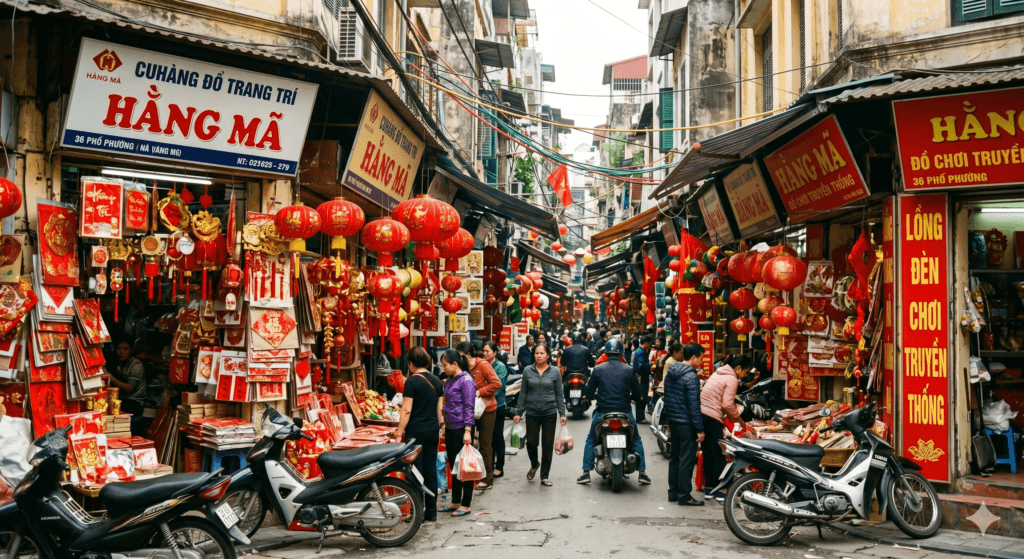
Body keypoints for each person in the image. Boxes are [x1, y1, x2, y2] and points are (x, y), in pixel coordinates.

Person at [577, 339, 651, 486]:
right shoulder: (629, 369)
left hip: (603, 413)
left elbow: (590, 391)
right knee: (636, 439)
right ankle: (642, 473)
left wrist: (590, 396)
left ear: (606, 353)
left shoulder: (598, 369)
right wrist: (635, 397)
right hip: (625, 413)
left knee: (591, 440)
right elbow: (636, 393)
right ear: (620, 353)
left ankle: (586, 472)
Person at [395, 346, 444, 522]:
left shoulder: (412, 381)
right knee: (430, 470)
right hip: (432, 431)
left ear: (410, 363)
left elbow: (406, 410)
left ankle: (417, 512)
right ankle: (431, 511)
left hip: (416, 432)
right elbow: (440, 410)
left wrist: (399, 432)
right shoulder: (437, 380)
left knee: (416, 471)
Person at [513, 343, 567, 486]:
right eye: (537, 353)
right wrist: (519, 412)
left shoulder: (555, 371)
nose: (539, 356)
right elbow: (523, 393)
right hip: (532, 412)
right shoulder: (527, 371)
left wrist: (562, 413)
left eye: (542, 353)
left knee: (547, 445)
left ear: (548, 355)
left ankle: (544, 476)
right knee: (531, 443)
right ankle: (534, 463)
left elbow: (559, 394)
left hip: (549, 413)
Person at [701, 354, 751, 501]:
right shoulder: (731, 379)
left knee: (708, 452)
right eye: (746, 372)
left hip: (702, 415)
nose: (744, 376)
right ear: (738, 368)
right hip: (712, 416)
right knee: (718, 453)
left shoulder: (718, 373)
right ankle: (723, 490)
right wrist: (739, 420)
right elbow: (727, 404)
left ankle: (710, 489)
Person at [663, 343, 705, 506]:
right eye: (701, 358)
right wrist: (699, 429)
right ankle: (684, 495)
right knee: (686, 459)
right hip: (686, 422)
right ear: (693, 358)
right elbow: (693, 405)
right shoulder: (691, 376)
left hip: (673, 420)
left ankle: (673, 492)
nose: (701, 362)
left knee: (675, 457)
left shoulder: (672, 371)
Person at [456, 341, 501, 490]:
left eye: (460, 355)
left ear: (467, 355)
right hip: (470, 410)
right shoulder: (463, 367)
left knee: (485, 444)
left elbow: (496, 383)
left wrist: (479, 392)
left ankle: (487, 479)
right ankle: (471, 474)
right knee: (469, 442)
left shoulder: (482, 365)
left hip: (487, 409)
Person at [439, 349, 477, 516]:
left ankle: (466, 504)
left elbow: (469, 407)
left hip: (463, 427)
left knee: (465, 467)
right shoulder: (449, 380)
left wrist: (468, 431)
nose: (444, 368)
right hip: (450, 426)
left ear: (455, 364)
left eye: (445, 365)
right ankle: (455, 501)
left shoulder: (467, 381)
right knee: (454, 465)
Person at [108, 340, 150, 436]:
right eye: (119, 348)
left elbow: (129, 388)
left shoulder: (136, 365)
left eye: (125, 349)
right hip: (124, 400)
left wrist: (110, 377)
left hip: (135, 402)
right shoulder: (119, 363)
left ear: (131, 350)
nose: (121, 352)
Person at [483, 341, 509, 479]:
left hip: (497, 405)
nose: (485, 353)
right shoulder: (483, 365)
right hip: (484, 406)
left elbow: (498, 388)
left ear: (495, 352)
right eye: (484, 351)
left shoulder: (500, 367)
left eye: (488, 351)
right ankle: (490, 466)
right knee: (488, 438)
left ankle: (499, 467)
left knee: (497, 436)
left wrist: (482, 392)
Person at [632, 336, 653, 423]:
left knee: (641, 397)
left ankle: (641, 417)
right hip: (642, 377)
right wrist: (650, 364)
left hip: (639, 376)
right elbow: (641, 366)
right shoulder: (641, 352)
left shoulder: (638, 351)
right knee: (642, 397)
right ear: (646, 343)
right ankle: (640, 418)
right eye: (649, 343)